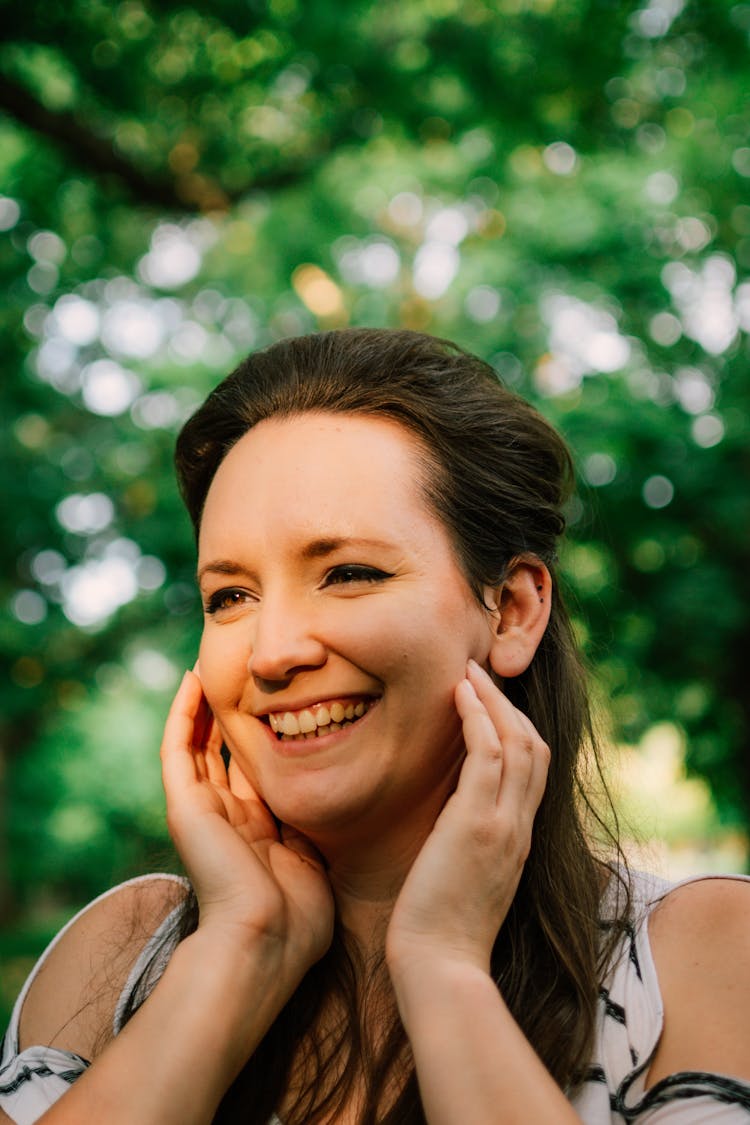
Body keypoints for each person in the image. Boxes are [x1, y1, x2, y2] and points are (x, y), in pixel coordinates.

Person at [1, 328, 749, 1125]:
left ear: (515, 609)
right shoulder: (120, 956)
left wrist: (443, 965)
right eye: (230, 596)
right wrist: (238, 949)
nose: (273, 653)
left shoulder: (704, 957)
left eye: (349, 573)